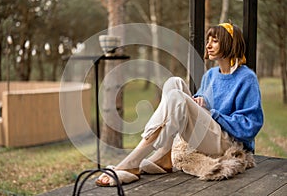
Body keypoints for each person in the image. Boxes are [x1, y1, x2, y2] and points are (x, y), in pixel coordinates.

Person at [95, 22, 264, 186]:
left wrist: (212, 112)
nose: (208, 45)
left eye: (215, 41)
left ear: (230, 44)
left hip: (228, 142)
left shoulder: (246, 78)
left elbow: (250, 126)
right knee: (174, 83)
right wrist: (200, 102)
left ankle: (132, 162)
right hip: (210, 133)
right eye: (208, 41)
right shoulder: (211, 75)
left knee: (177, 96)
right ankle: (164, 155)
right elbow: (200, 103)